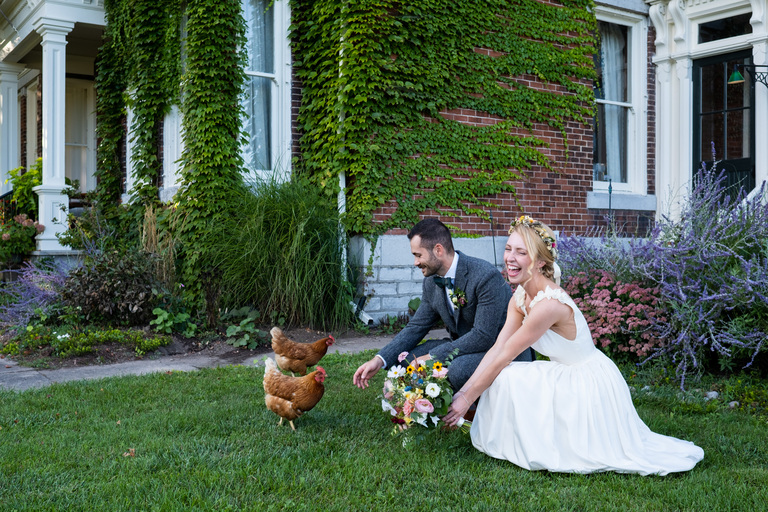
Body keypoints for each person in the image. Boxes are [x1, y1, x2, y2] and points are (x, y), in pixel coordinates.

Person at [443, 215, 704, 475]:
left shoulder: (548, 305)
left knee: (507, 374)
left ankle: (539, 444)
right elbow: (497, 348)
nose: (510, 257)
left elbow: (505, 355)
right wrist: (463, 393)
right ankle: (512, 441)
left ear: (541, 261)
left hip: (587, 380)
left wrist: (468, 398)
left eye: (521, 252)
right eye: (509, 248)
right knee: (506, 375)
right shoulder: (521, 295)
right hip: (565, 371)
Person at [353, 218, 533, 393]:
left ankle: (470, 408)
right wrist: (379, 359)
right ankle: (427, 403)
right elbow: (416, 326)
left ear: (438, 250)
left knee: (458, 369)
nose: (415, 262)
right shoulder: (431, 282)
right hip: (464, 347)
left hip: (500, 351)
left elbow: (483, 336)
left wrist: (432, 357)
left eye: (418, 255)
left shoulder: (485, 276)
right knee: (406, 360)